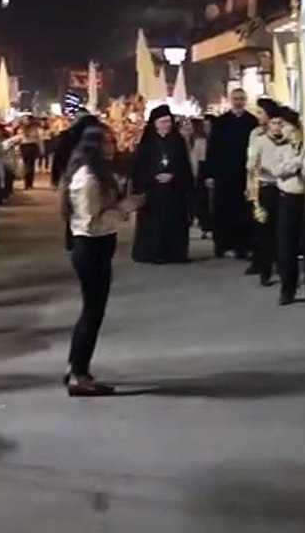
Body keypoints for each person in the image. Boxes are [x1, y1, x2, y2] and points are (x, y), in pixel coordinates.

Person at [60, 122, 133, 396]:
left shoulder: (96, 174)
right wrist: (126, 207)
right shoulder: (88, 178)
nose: (112, 148)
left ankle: (77, 367)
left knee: (92, 311)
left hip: (99, 247)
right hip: (91, 247)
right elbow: (91, 222)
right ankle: (78, 373)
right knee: (92, 312)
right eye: (108, 144)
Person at [265, 106, 305, 306]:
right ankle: (288, 289)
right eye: (279, 125)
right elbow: (277, 170)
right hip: (288, 198)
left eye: (285, 125)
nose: (282, 129)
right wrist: (299, 162)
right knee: (286, 247)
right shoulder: (277, 146)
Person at [131, 106, 193, 264]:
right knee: (153, 223)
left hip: (174, 190)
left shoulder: (177, 141)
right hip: (153, 190)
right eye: (163, 121)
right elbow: (139, 167)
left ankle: (175, 253)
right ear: (155, 123)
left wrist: (173, 175)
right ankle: (153, 252)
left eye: (169, 121)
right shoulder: (147, 143)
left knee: (174, 221)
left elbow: (184, 165)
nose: (167, 125)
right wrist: (152, 177)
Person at [205, 89, 258, 259]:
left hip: (245, 173)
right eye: (235, 99)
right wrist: (210, 174)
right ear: (230, 100)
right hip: (224, 173)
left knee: (245, 211)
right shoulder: (221, 122)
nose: (238, 101)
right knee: (224, 210)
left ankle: (245, 245)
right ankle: (224, 245)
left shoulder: (252, 121)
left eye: (241, 99)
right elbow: (212, 149)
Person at [246, 99, 282, 285]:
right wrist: (250, 188)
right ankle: (263, 266)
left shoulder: (286, 134)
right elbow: (251, 164)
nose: (258, 117)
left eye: (261, 113)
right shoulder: (257, 135)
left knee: (281, 231)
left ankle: (282, 265)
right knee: (263, 228)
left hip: (284, 188)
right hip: (264, 188)